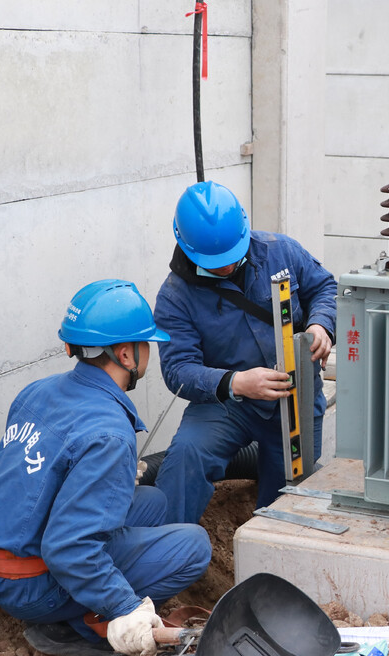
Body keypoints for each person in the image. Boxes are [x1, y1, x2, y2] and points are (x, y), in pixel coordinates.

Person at [0, 280, 211, 656]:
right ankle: (86, 627)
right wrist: (126, 607)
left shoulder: (38, 391)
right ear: (126, 354)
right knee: (194, 546)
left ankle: (83, 603)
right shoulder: (109, 432)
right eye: (146, 344)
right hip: (32, 586)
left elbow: (36, 477)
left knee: (153, 502)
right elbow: (69, 547)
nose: (150, 352)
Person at [153, 181, 337, 524]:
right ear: (186, 246)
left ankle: (268, 549)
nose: (226, 267)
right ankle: (167, 547)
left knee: (287, 501)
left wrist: (321, 325)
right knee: (187, 456)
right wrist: (236, 382)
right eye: (215, 262)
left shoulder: (281, 252)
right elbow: (178, 370)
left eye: (231, 257)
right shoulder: (175, 297)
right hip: (228, 403)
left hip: (294, 396)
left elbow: (325, 287)